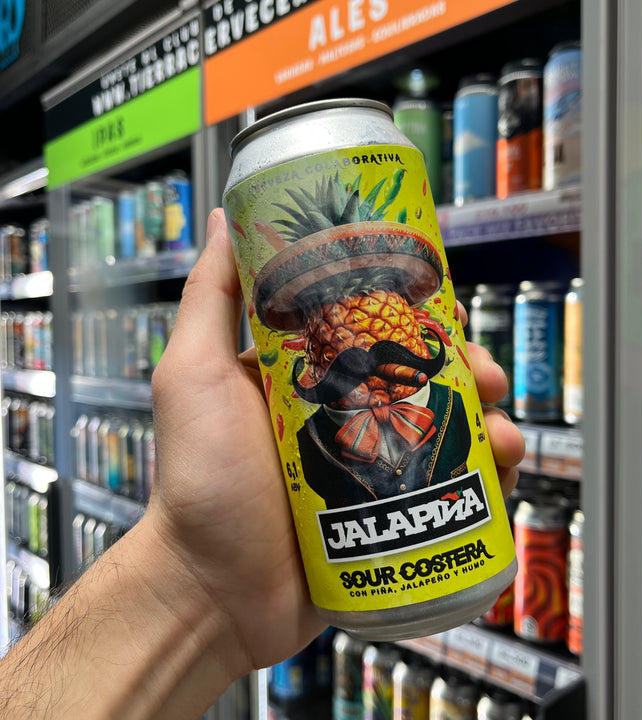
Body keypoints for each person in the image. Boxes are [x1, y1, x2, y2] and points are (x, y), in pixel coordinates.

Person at [0, 209, 525, 719]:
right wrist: (193, 576)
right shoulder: (307, 441)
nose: (365, 347)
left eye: (378, 317)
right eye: (338, 331)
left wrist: (194, 593)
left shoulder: (454, 409)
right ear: (317, 345)